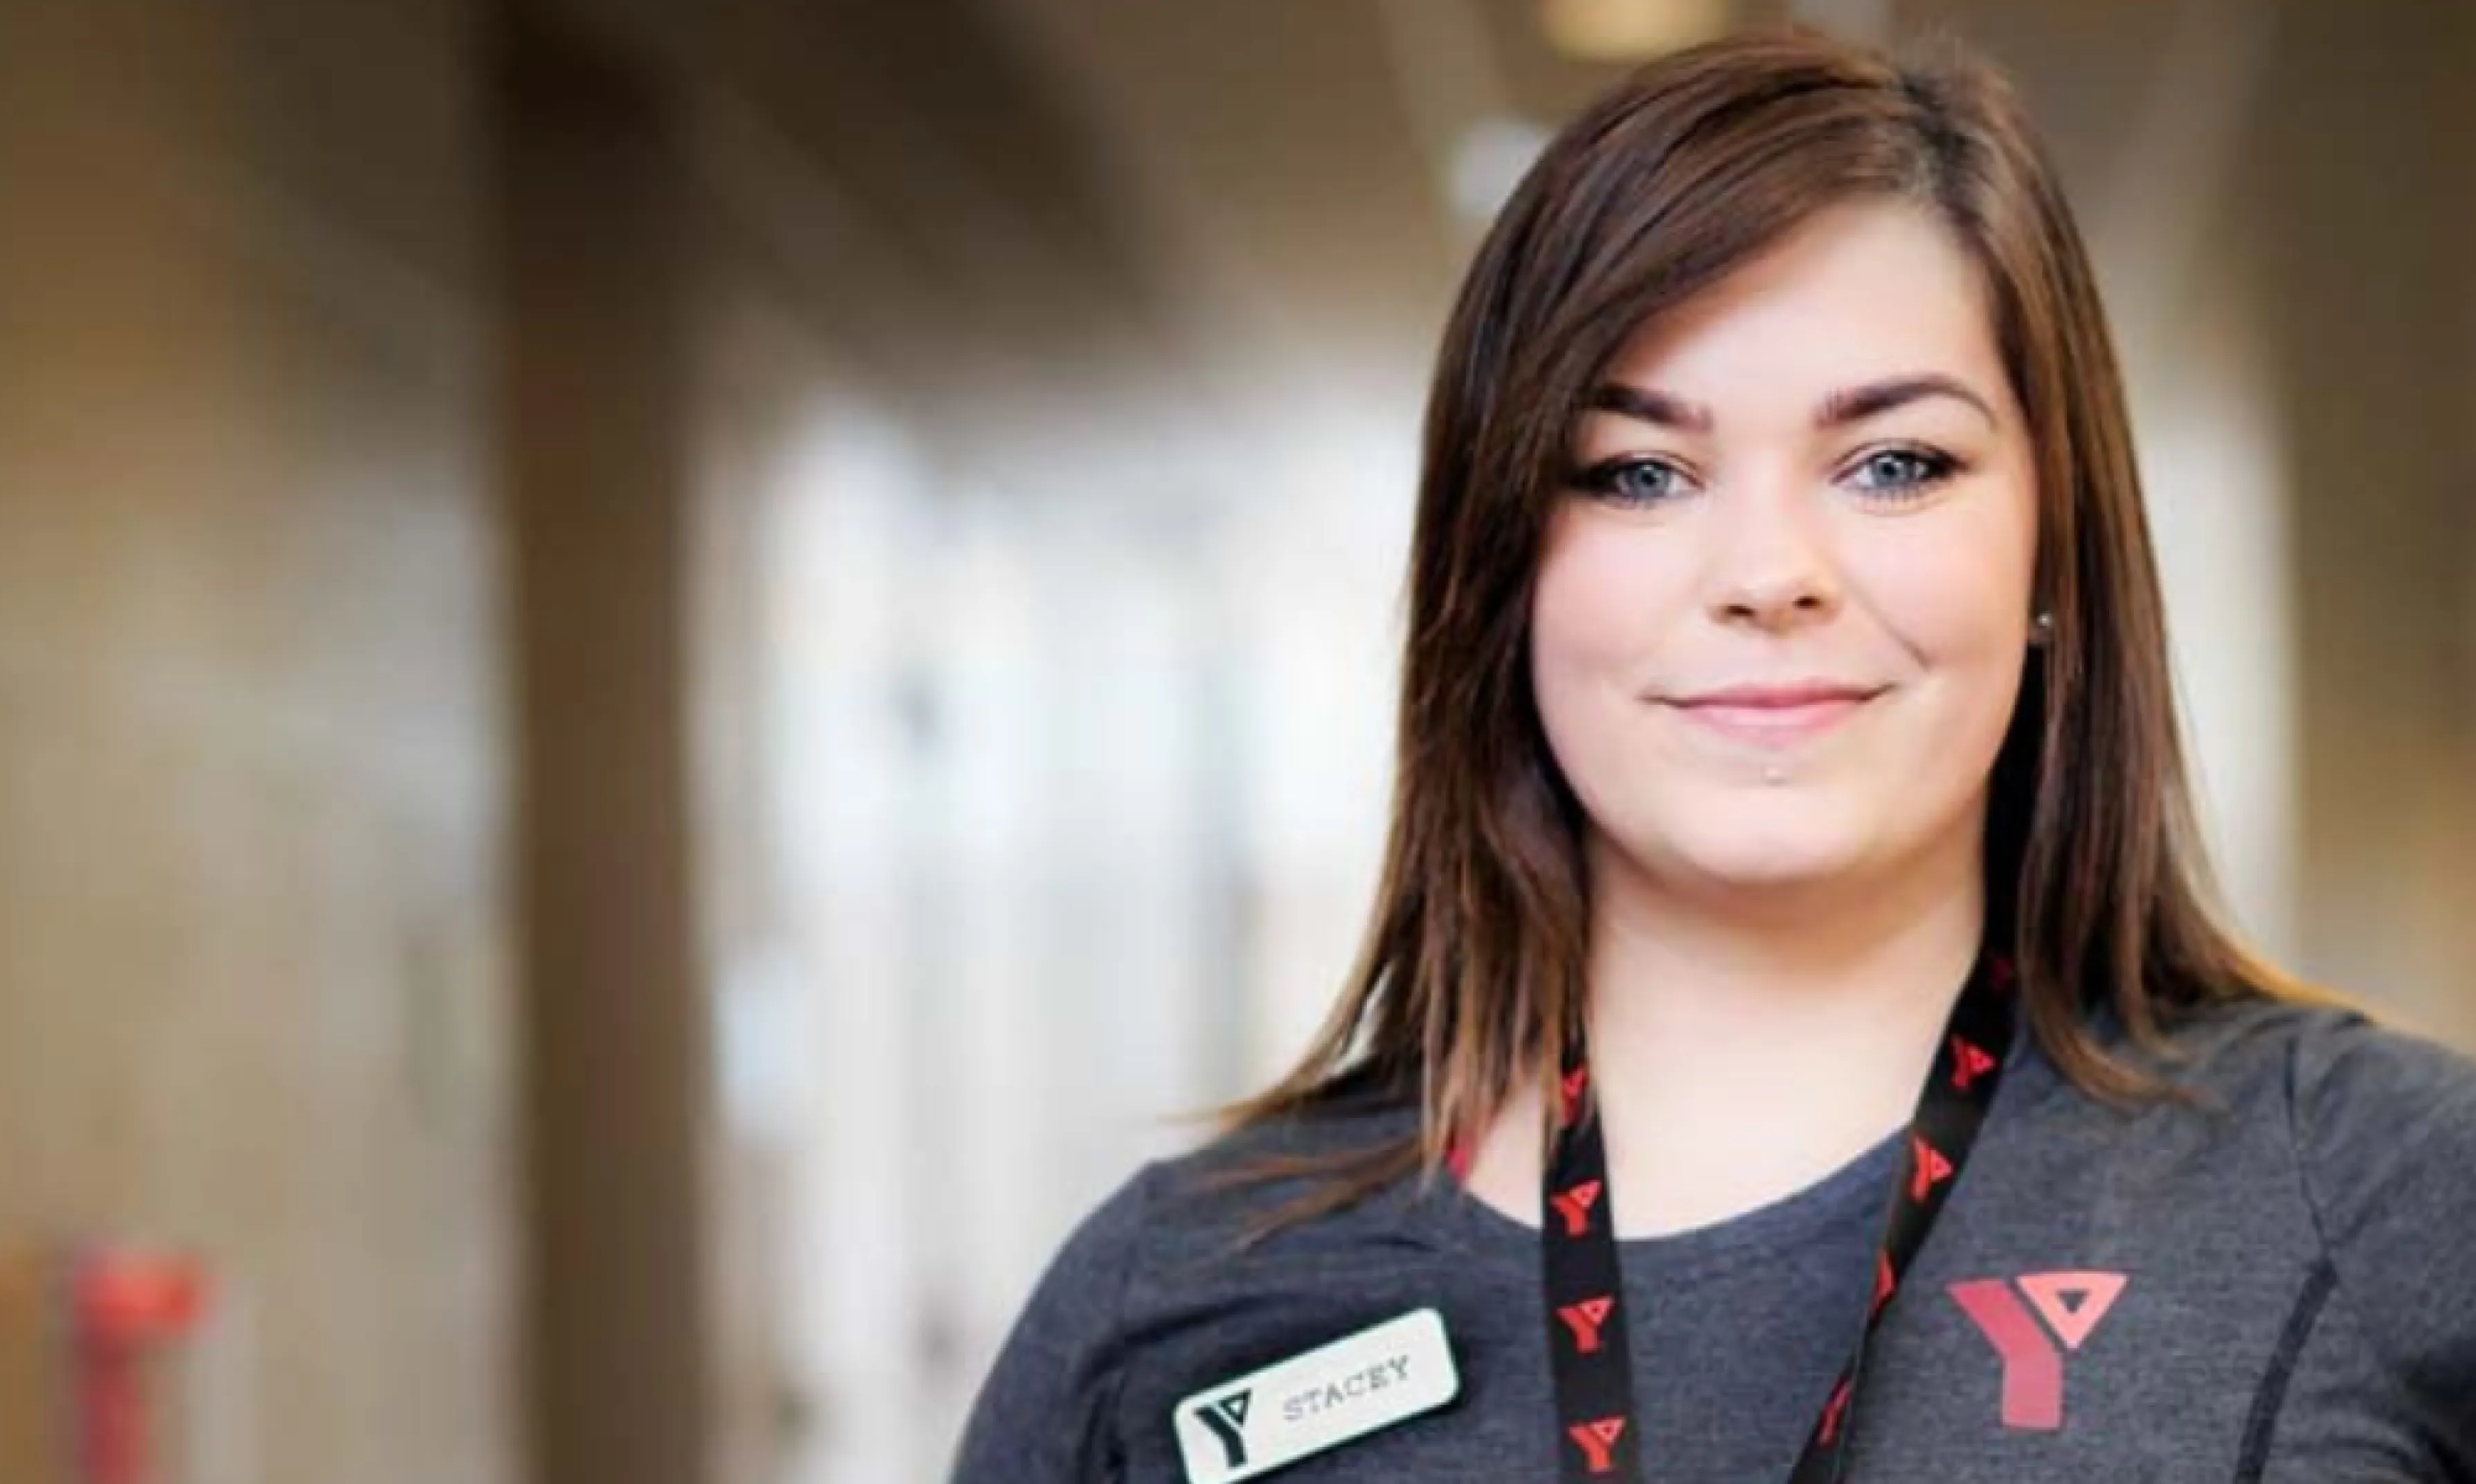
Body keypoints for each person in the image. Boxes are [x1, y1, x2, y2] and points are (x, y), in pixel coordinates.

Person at [950, 24, 2476, 1483]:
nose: (1767, 571)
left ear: (2051, 554)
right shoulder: (1174, 1298)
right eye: (1638, 473)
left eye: (1895, 464)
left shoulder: (2383, 1189)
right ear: (1502, 575)